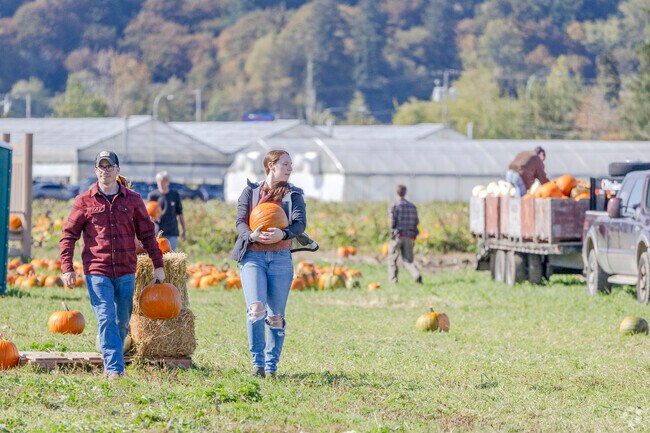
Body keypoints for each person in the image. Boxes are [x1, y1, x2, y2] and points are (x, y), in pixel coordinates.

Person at [60, 150, 165, 380]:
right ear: (95, 171)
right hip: (97, 269)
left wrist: (158, 264)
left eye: (109, 167)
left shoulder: (133, 200)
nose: (105, 171)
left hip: (126, 269)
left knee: (121, 320)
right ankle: (114, 369)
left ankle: (111, 353)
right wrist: (67, 267)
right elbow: (68, 235)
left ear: (117, 170)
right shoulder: (84, 201)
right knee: (106, 316)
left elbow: (147, 234)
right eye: (101, 167)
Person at [231, 149, 306, 379]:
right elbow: (240, 223)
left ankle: (272, 367)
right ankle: (258, 364)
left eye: (291, 164)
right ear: (270, 166)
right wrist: (251, 236)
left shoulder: (293, 195)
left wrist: (282, 235)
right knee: (256, 310)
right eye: (285, 163)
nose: (289, 168)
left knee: (276, 316)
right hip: (253, 256)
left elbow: (299, 225)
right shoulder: (250, 192)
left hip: (281, 258)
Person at [388, 185, 422, 284]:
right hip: (410, 236)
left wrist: (392, 232)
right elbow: (416, 222)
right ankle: (416, 274)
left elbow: (392, 223)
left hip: (398, 236)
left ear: (396, 192)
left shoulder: (394, 206)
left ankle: (393, 281)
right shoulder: (412, 206)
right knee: (408, 260)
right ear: (405, 192)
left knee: (392, 259)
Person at [147, 171, 186, 251]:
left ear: (168, 182)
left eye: (164, 181)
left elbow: (180, 213)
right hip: (157, 231)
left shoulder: (174, 195)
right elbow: (149, 212)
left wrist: (183, 229)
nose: (161, 183)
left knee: (171, 254)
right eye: (159, 181)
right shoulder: (153, 195)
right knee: (157, 254)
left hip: (171, 230)